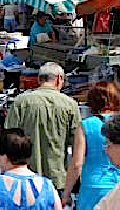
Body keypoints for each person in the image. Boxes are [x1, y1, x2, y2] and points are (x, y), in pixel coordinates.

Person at [62, 82, 120, 210]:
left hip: (91, 191)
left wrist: (66, 194)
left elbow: (76, 163)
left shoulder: (86, 125)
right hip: (119, 188)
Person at [5, 62, 82, 192]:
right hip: (56, 177)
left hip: (24, 177)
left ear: (39, 79)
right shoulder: (70, 104)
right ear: (59, 79)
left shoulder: (21, 102)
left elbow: (9, 138)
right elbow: (76, 143)